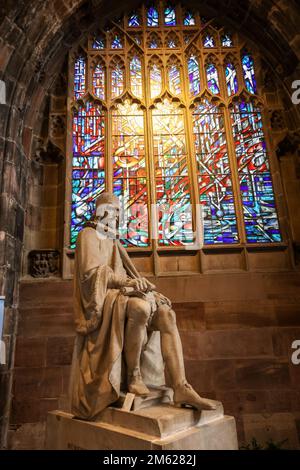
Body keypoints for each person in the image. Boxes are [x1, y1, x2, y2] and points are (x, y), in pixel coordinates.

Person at [70, 192, 216, 420]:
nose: (116, 215)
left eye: (119, 211)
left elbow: (128, 273)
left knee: (166, 313)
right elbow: (90, 275)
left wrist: (146, 288)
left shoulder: (113, 240)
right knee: (140, 308)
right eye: (112, 209)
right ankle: (134, 375)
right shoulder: (88, 235)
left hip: (123, 294)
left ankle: (180, 385)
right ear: (100, 211)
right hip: (105, 299)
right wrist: (127, 283)